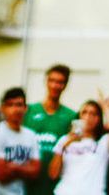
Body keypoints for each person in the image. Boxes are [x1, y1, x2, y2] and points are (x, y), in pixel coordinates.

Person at [26, 66, 76, 195]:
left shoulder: (71, 116)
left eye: (60, 82)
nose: (55, 85)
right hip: (27, 181)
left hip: (55, 183)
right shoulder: (29, 110)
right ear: (46, 82)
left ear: (65, 85)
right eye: (52, 80)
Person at [51, 100, 109, 195]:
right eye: (84, 112)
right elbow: (53, 174)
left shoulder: (103, 142)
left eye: (93, 114)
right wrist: (63, 147)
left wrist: (104, 106)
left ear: (99, 119)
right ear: (79, 116)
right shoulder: (64, 139)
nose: (88, 117)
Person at [0, 88, 42, 195]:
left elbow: (35, 172)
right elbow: (1, 175)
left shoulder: (31, 135)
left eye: (19, 105)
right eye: (10, 105)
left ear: (25, 108)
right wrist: (25, 169)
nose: (15, 109)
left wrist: (14, 167)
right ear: (3, 108)